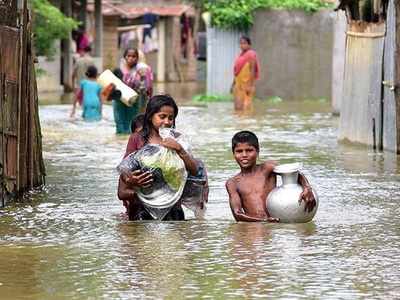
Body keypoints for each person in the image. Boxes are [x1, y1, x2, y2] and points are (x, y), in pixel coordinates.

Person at [118, 95, 199, 221]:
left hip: (172, 205)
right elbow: (125, 168)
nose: (167, 122)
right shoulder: (137, 138)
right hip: (143, 206)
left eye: (171, 118)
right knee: (143, 240)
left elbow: (194, 170)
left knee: (175, 240)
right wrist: (131, 180)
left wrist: (179, 149)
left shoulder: (177, 139)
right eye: (162, 116)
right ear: (150, 116)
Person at [226, 131, 316, 222]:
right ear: (233, 154)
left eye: (249, 150)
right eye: (239, 151)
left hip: (277, 222)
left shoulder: (267, 168)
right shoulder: (233, 183)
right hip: (255, 226)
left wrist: (307, 188)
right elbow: (237, 214)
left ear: (257, 151)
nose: (244, 155)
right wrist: (265, 220)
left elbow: (293, 173)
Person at [120, 48, 153, 114]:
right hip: (126, 100)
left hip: (139, 98)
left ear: (137, 59)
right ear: (124, 58)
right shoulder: (121, 70)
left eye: (133, 56)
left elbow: (148, 87)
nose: (131, 58)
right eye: (128, 56)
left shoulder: (142, 69)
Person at [232, 36, 260, 111]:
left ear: (249, 45)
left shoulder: (251, 54)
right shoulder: (240, 56)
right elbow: (236, 72)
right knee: (237, 108)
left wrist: (250, 86)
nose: (242, 45)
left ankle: (247, 122)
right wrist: (233, 84)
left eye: (244, 43)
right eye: (240, 43)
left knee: (246, 107)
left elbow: (252, 70)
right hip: (238, 85)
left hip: (246, 85)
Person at [71, 46, 94, 114]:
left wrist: (73, 86)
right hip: (89, 87)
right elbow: (95, 75)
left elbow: (73, 75)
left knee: (80, 104)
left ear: (83, 51)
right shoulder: (91, 61)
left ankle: (73, 111)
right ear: (90, 52)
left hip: (79, 87)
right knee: (86, 106)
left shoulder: (78, 61)